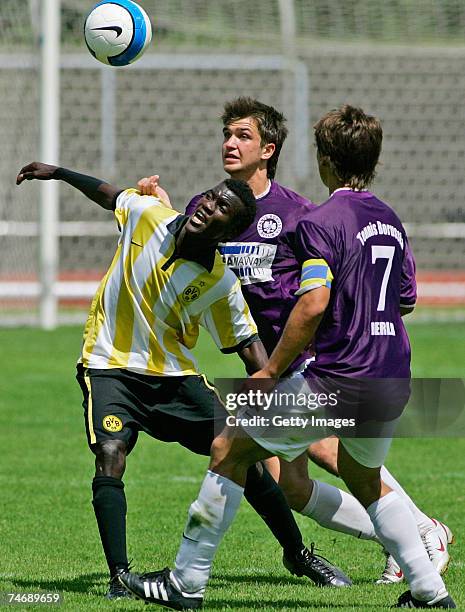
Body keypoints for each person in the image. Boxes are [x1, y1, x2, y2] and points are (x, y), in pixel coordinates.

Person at [120, 106, 456, 609]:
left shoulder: (313, 219)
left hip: (327, 371)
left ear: (324, 160)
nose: (230, 142)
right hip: (391, 373)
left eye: (242, 135)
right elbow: (404, 296)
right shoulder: (389, 218)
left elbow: (315, 299)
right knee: (339, 478)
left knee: (229, 452)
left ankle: (185, 583)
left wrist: (272, 369)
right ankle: (430, 590)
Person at [16, 161, 351, 600]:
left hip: (173, 378)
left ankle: (297, 554)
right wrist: (58, 173)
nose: (208, 205)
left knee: (240, 458)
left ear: (225, 232)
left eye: (220, 209)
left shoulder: (219, 282)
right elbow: (107, 193)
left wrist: (280, 393)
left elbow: (250, 347)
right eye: (211, 196)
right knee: (111, 454)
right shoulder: (147, 214)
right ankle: (120, 576)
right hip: (107, 365)